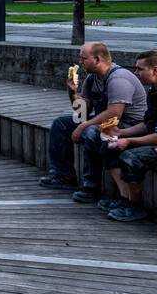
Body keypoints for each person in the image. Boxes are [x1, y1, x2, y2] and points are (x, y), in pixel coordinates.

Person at [40, 42, 147, 203]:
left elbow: (114, 114)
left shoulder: (119, 79)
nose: (80, 62)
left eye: (83, 58)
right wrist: (72, 92)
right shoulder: (92, 78)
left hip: (128, 125)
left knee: (92, 131)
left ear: (97, 59)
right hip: (106, 121)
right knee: (61, 124)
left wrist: (83, 126)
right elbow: (82, 112)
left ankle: (91, 186)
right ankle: (64, 175)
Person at [100, 50, 157, 223]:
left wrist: (128, 141)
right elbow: (148, 124)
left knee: (131, 158)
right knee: (108, 146)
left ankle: (136, 207)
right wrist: (120, 133)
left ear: (155, 70)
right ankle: (124, 199)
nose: (136, 73)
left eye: (140, 69)